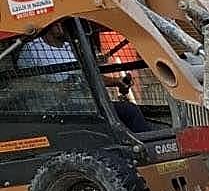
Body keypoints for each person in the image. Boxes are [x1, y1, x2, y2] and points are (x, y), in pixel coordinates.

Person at [16, 22, 150, 132]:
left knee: (129, 110)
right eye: (63, 24)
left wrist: (116, 81)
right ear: (52, 26)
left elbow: (88, 76)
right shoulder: (32, 50)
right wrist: (55, 88)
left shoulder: (72, 48)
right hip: (54, 110)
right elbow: (23, 83)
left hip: (84, 105)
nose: (67, 28)